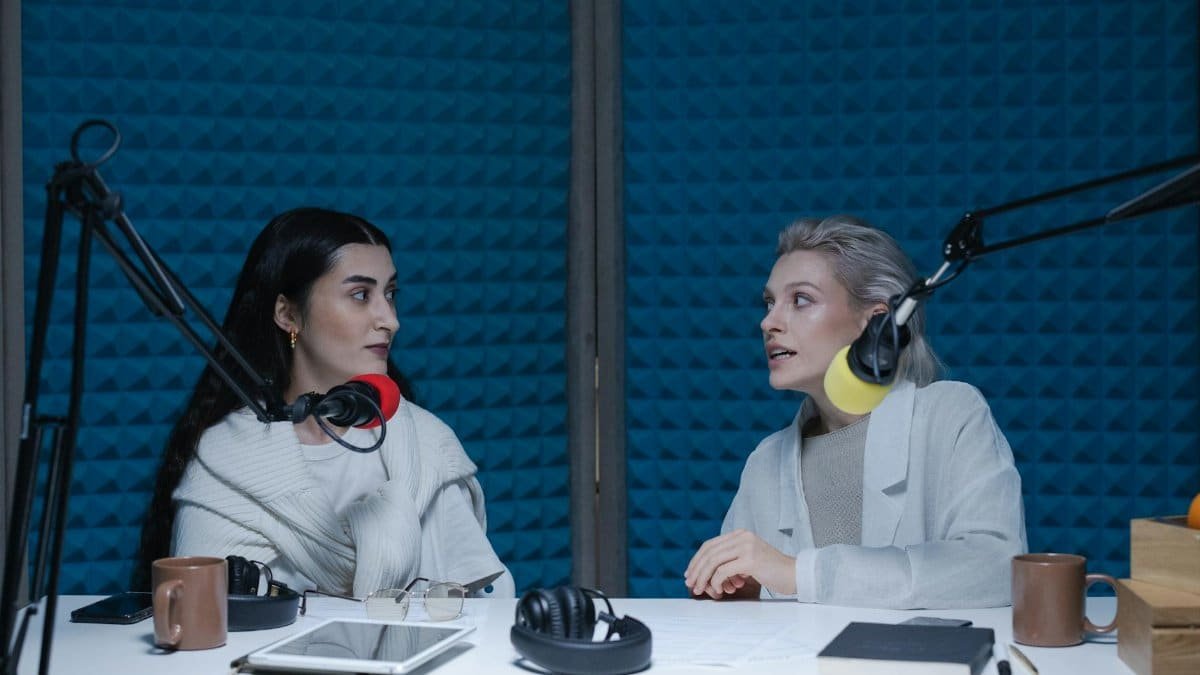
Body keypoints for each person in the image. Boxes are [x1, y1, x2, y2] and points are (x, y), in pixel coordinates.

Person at [134, 207, 514, 599]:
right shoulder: (226, 460)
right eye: (360, 295)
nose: (390, 320)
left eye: (390, 295)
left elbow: (483, 608)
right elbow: (197, 614)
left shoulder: (427, 446)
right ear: (288, 314)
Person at [684, 214, 1026, 609]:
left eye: (800, 300)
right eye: (769, 303)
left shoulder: (951, 417)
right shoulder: (765, 461)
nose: (768, 322)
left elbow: (997, 568)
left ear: (876, 323)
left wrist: (798, 574)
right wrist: (737, 593)